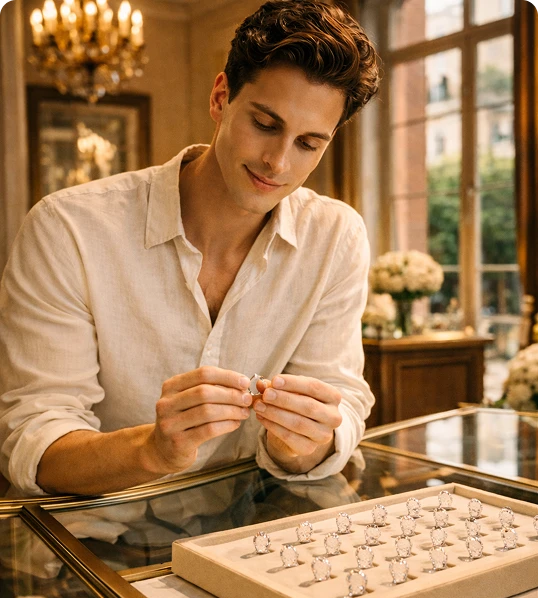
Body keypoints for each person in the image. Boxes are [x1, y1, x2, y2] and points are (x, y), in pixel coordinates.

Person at [0, 0, 379, 496]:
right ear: (221, 97)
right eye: (265, 124)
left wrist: (301, 443)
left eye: (308, 143)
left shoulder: (336, 236)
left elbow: (341, 404)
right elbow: (31, 442)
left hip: (250, 533)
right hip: (91, 536)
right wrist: (152, 451)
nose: (277, 162)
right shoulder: (67, 229)